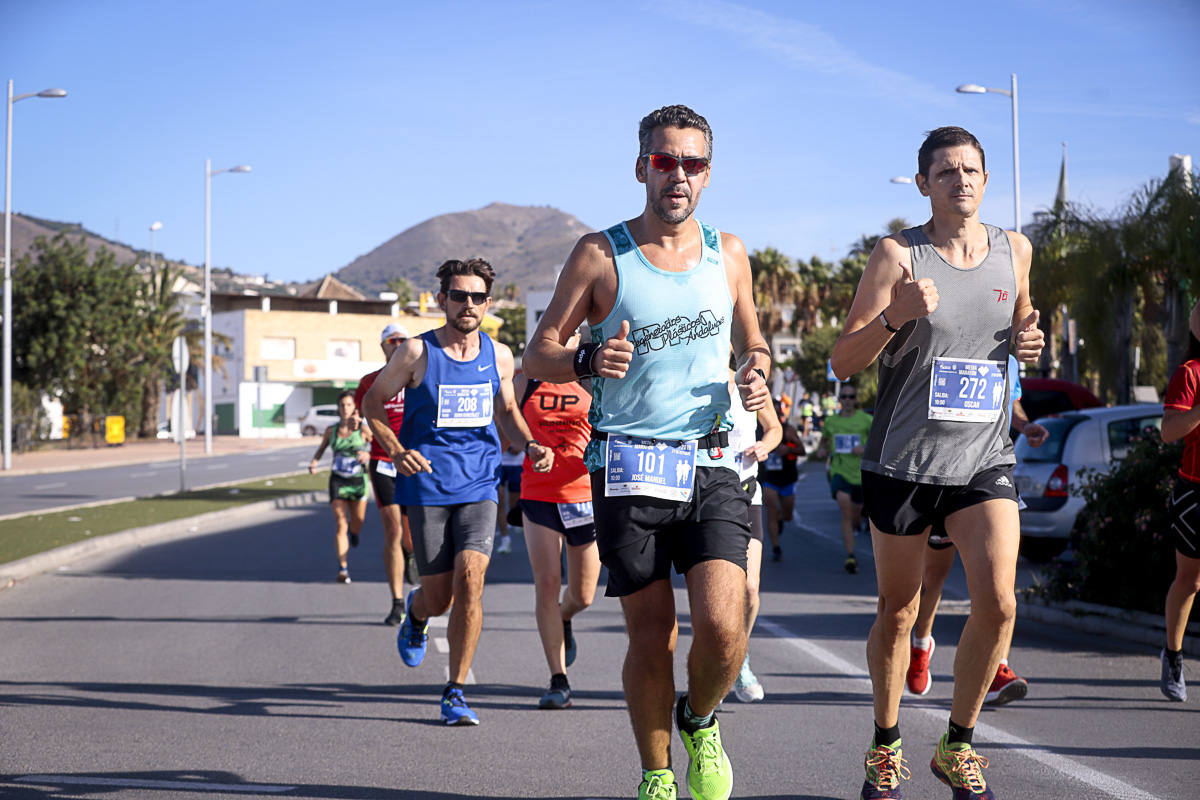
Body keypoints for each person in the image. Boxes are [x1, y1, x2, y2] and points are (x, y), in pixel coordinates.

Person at [522, 104, 771, 800]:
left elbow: (753, 341)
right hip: (629, 463)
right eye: (665, 161)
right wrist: (589, 356)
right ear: (642, 168)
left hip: (713, 458)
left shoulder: (731, 253)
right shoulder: (600, 254)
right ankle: (658, 775)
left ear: (708, 174)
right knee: (652, 633)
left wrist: (755, 368)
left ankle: (700, 717)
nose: (678, 175)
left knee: (726, 627)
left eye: (692, 163)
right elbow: (539, 354)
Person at [830, 126, 1044, 800]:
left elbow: (1021, 328)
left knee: (1001, 602)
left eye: (972, 169)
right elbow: (843, 360)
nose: (963, 180)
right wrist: (893, 317)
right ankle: (886, 744)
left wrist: (1030, 340)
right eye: (947, 171)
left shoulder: (1016, 251)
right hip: (904, 458)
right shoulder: (899, 256)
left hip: (984, 457)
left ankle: (958, 744)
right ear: (923, 184)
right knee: (898, 610)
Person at [362, 257, 554, 726]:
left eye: (477, 297)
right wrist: (397, 448)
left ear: (488, 303)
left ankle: (455, 690)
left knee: (472, 578)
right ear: (443, 300)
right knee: (440, 597)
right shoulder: (414, 353)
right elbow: (371, 403)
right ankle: (416, 611)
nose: (468, 304)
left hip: (480, 484)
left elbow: (507, 409)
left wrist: (529, 443)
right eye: (458, 295)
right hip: (426, 486)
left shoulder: (500, 355)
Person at [906, 355, 1047, 704]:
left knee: (1002, 582)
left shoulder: (1007, 357)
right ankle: (921, 642)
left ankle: (997, 664)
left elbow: (1009, 400)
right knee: (934, 576)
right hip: (939, 473)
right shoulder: (945, 339)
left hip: (988, 473)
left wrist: (1025, 426)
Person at [515, 335, 600, 709]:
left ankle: (566, 618)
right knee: (547, 583)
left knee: (582, 595)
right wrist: (530, 446)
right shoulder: (527, 378)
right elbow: (507, 421)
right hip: (538, 493)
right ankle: (558, 678)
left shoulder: (591, 376)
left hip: (584, 494)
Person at [354, 322, 419, 625]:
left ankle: (414, 565)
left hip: (417, 464)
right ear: (383, 346)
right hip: (384, 462)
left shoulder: (418, 377)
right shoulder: (369, 382)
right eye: (392, 340)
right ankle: (396, 602)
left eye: (403, 340)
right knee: (393, 531)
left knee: (414, 535)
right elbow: (363, 417)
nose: (397, 345)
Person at [728, 373, 782, 703]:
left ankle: (738, 657)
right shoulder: (695, 378)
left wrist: (765, 444)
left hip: (747, 492)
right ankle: (715, 664)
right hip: (705, 494)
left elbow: (774, 428)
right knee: (716, 593)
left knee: (749, 589)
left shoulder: (750, 384)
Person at [1159, 301, 1200, 702]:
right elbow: (1169, 431)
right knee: (1190, 580)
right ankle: (1173, 654)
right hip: (1194, 491)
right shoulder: (1190, 373)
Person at [308, 391, 370, 584]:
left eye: (349, 405)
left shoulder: (364, 429)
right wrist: (314, 462)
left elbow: (380, 448)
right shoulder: (331, 430)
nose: (345, 409)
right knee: (341, 524)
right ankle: (343, 568)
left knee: (357, 521)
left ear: (355, 408)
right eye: (342, 405)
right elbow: (322, 448)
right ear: (338, 408)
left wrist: (367, 455)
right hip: (338, 480)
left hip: (358, 481)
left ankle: (355, 532)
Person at [816, 382, 872, 574]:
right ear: (839, 400)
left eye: (851, 397)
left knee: (856, 513)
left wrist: (864, 449)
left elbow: (878, 443)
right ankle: (850, 555)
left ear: (856, 400)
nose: (848, 401)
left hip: (861, 474)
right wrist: (822, 449)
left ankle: (858, 521)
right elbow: (823, 443)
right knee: (845, 511)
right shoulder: (831, 422)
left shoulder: (866, 420)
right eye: (844, 397)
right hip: (839, 472)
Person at [759, 398, 805, 562]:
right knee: (771, 509)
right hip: (768, 478)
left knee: (787, 515)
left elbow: (802, 450)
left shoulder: (789, 430)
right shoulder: (757, 430)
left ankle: (781, 519)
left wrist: (788, 449)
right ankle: (776, 548)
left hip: (787, 478)